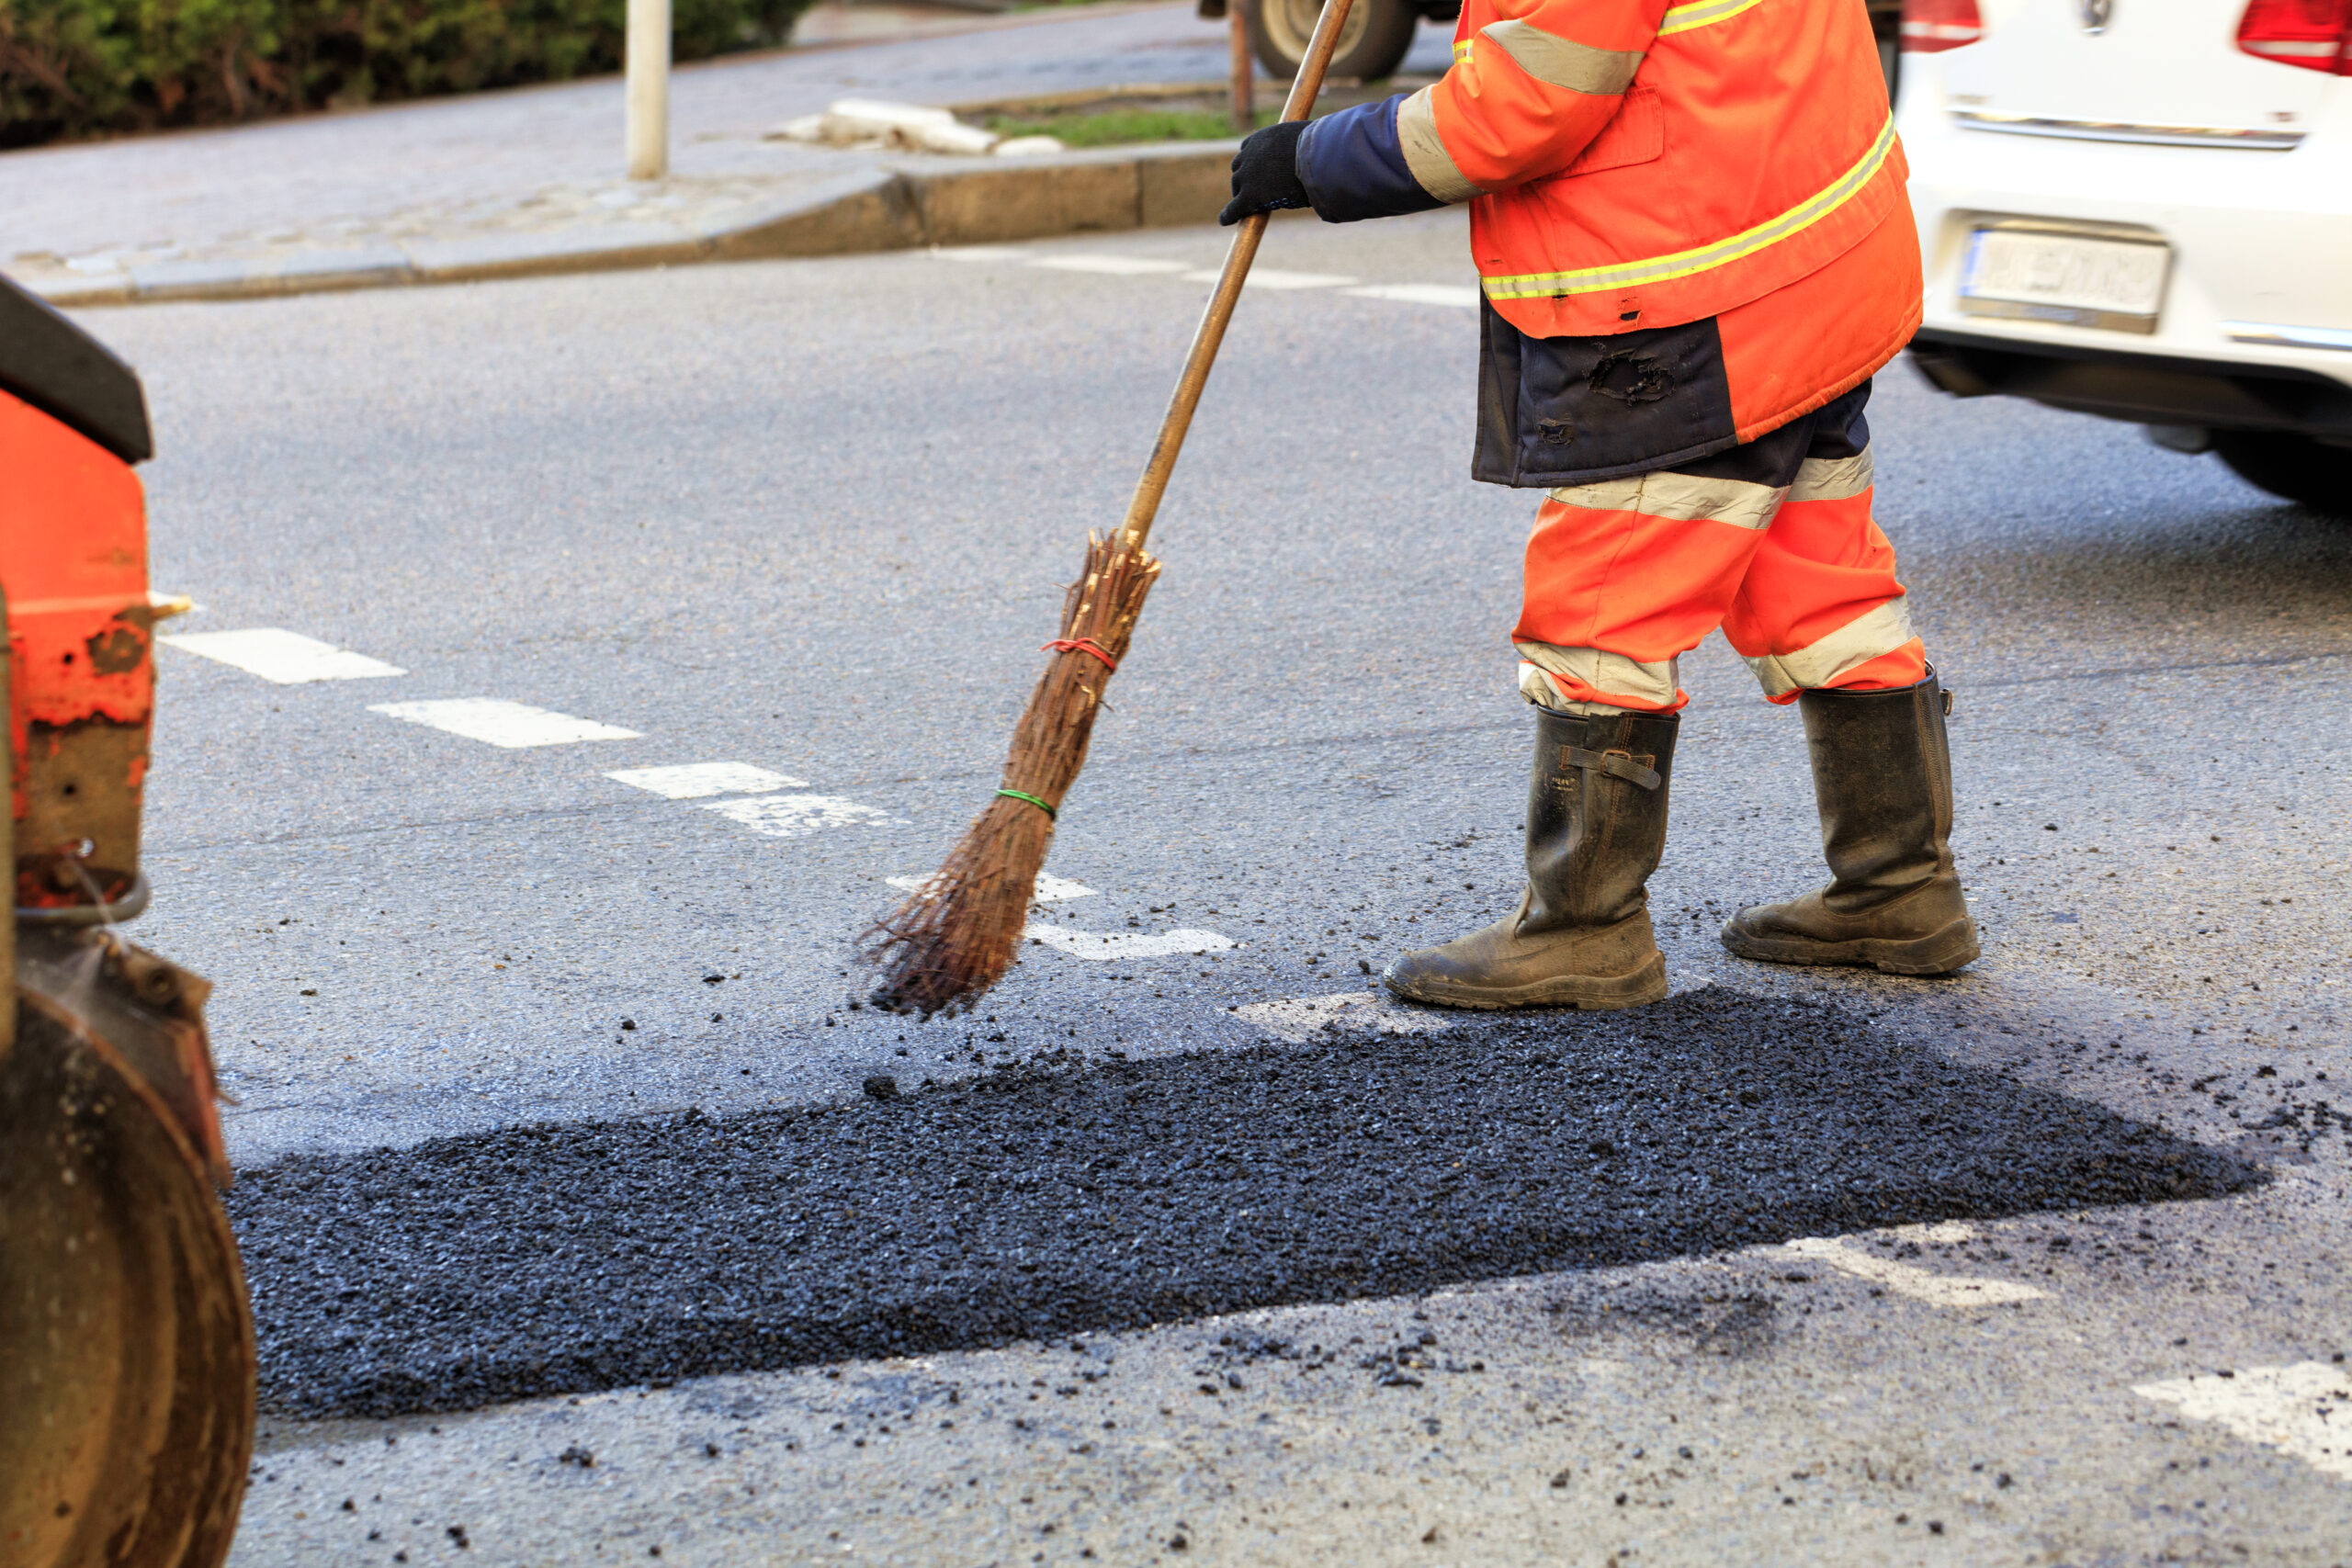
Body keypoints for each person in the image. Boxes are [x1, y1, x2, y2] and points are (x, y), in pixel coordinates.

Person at [1223, 0, 1977, 1010]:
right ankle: (1901, 889)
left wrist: (1315, 160)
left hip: (1692, 292)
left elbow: (1531, 99)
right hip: (1814, 251)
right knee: (1818, 580)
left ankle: (1584, 927)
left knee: (1605, 597)